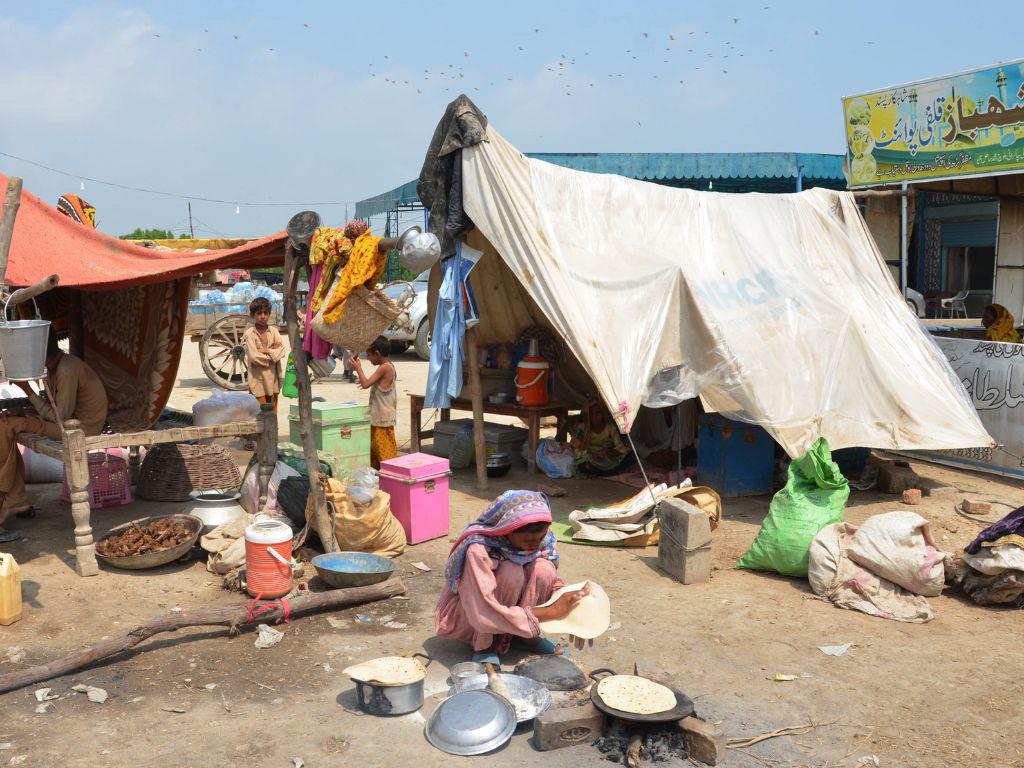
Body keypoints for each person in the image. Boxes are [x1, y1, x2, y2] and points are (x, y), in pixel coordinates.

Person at [435, 490, 590, 664]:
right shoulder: (478, 549)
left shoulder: (543, 539)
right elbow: (481, 609)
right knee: (511, 572)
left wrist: (573, 608)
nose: (536, 544)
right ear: (506, 530)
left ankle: (524, 636)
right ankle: (486, 644)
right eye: (528, 541)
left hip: (510, 610)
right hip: (472, 615)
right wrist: (550, 612)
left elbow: (552, 583)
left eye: (540, 538)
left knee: (544, 569)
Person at [0, 334, 108, 542]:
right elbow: (49, 408)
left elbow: (61, 417)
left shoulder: (67, 370)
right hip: (67, 423)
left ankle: (9, 498)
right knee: (6, 425)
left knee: (4, 427)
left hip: (78, 429)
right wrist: (22, 412)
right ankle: (14, 500)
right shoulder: (55, 367)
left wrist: (27, 390)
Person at [350, 336, 397, 469]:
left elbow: (365, 384)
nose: (368, 358)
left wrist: (358, 368)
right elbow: (370, 381)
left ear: (377, 353)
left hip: (382, 419)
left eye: (369, 355)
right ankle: (379, 478)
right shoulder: (387, 365)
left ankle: (391, 477)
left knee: (385, 454)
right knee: (374, 451)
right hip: (379, 418)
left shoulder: (384, 368)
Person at [242, 297, 287, 411]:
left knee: (273, 413)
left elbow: (282, 350)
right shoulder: (250, 334)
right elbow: (254, 356)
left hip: (273, 380)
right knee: (259, 413)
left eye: (265, 313)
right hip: (258, 379)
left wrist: (267, 351)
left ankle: (273, 429)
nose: (263, 316)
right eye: (259, 313)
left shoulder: (274, 331)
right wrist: (273, 356)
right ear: (252, 315)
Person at [572, 400, 631, 475]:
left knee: (631, 456)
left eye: (598, 413)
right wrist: (593, 455)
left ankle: (605, 472)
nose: (595, 417)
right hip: (592, 459)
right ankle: (608, 472)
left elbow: (620, 447)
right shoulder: (583, 429)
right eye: (591, 414)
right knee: (583, 466)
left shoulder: (610, 428)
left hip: (609, 459)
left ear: (603, 413)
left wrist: (610, 452)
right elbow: (576, 451)